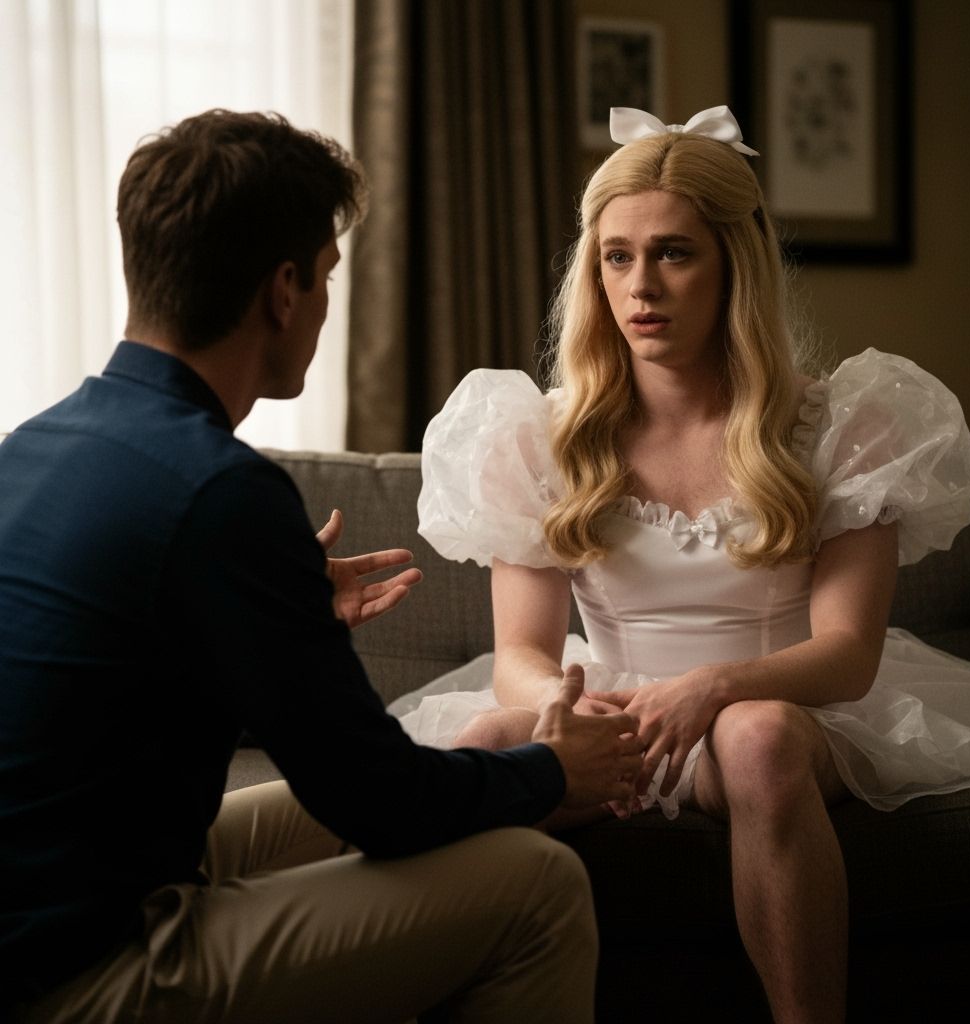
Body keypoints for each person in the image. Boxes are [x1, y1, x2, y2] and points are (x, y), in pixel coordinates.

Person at [0, 109, 646, 1024]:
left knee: (418, 768)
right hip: (71, 969)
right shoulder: (219, 490)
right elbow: (381, 804)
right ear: (286, 288)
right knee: (535, 883)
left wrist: (265, 621)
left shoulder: (33, 445)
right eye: (331, 276)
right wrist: (552, 772)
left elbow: (112, 683)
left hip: (52, 892)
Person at [397, 106, 970, 1023]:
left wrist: (713, 689)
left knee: (754, 738)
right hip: (615, 710)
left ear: (735, 261)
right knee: (487, 749)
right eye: (617, 256)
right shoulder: (537, 437)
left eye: (674, 253)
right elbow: (520, 659)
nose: (640, 286)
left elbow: (848, 654)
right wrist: (572, 714)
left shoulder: (845, 423)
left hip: (787, 705)